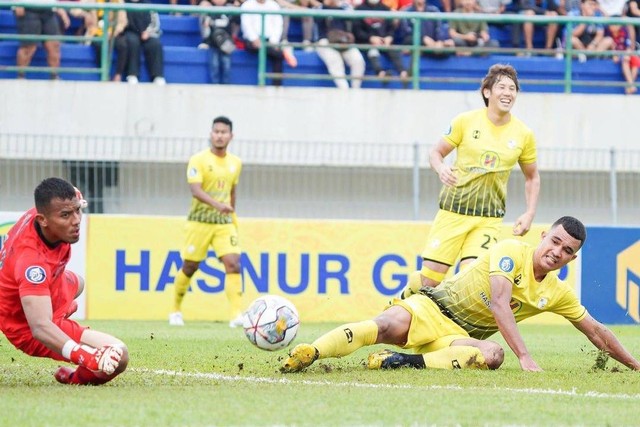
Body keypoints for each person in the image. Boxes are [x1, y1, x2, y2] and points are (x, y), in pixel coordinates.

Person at [281, 216, 640, 373]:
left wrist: (635, 365)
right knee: (384, 323)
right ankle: (312, 351)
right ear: (544, 236)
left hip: (458, 339)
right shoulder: (511, 250)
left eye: (566, 250)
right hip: (431, 307)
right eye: (555, 241)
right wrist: (527, 357)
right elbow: (500, 302)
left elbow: (596, 331)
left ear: (572, 258)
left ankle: (401, 362)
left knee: (493, 355)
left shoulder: (557, 292)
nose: (556, 251)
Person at [399, 64, 539, 297]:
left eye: (512, 88)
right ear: (487, 92)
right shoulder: (465, 121)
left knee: (470, 281)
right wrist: (441, 168)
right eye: (502, 87)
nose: (508, 93)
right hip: (453, 212)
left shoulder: (523, 134)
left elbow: (532, 177)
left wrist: (529, 213)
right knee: (429, 281)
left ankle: (449, 331)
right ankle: (402, 299)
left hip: (488, 218)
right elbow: (436, 153)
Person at [0, 177, 128, 385]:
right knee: (119, 355)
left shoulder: (52, 211)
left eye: (78, 210)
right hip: (27, 326)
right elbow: (40, 327)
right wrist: (83, 355)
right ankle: (73, 375)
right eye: (66, 215)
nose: (76, 220)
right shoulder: (32, 264)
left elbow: (72, 198)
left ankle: (57, 308)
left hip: (50, 287)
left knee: (79, 283)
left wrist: (75, 203)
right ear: (42, 220)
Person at [170, 116, 244, 328]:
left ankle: (236, 314)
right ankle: (175, 310)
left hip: (224, 223)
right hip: (199, 221)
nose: (219, 135)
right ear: (211, 134)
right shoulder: (198, 160)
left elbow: (232, 191)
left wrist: (231, 212)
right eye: (216, 131)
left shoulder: (235, 163)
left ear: (231, 136)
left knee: (233, 264)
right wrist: (218, 205)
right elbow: (196, 190)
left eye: (224, 132)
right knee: (190, 266)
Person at [240, 0, 298, 86]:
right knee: (277, 53)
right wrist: (254, 39)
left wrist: (273, 41)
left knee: (277, 55)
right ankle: (284, 52)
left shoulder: (274, 5)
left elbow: (278, 25)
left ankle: (277, 86)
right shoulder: (247, 5)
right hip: (251, 40)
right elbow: (246, 25)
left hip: (269, 40)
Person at [353, 0, 409, 83]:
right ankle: (381, 73)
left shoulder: (385, 8)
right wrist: (370, 38)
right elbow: (357, 31)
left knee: (393, 51)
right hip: (367, 42)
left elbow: (391, 28)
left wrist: (389, 37)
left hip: (384, 41)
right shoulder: (359, 9)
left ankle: (403, 73)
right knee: (373, 52)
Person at [13, 2, 70, 79]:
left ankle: (54, 77)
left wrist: (59, 7)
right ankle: (20, 77)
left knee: (54, 46)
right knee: (28, 46)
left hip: (49, 8)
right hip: (27, 7)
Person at [315, 0, 366, 89]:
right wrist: (327, 5)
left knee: (358, 61)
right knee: (335, 61)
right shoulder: (320, 8)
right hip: (324, 41)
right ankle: (344, 90)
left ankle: (355, 89)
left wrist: (337, 5)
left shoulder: (344, 7)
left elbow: (353, 18)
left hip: (343, 40)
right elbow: (317, 20)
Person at [114, 0, 166, 84]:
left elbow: (155, 23)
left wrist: (148, 32)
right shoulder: (123, 4)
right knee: (132, 42)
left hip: (146, 33)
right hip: (129, 31)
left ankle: (158, 76)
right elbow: (121, 21)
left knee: (155, 44)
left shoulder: (148, 4)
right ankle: (132, 74)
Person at [198, 0, 239, 84]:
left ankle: (226, 86)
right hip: (213, 44)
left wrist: (237, 7)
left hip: (226, 44)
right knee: (214, 66)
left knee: (227, 66)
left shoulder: (230, 10)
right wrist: (205, 41)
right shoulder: (208, 10)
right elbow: (204, 28)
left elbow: (237, 22)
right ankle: (214, 86)